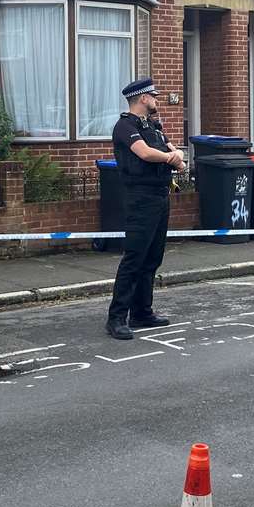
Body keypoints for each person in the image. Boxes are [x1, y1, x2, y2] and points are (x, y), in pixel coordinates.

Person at [106, 78, 185, 340]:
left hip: (160, 196)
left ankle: (142, 312)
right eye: (153, 96)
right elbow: (144, 153)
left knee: (152, 258)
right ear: (142, 98)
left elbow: (178, 156)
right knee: (134, 258)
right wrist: (169, 157)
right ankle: (117, 317)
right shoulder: (125, 126)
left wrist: (176, 157)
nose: (156, 100)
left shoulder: (154, 127)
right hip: (140, 197)